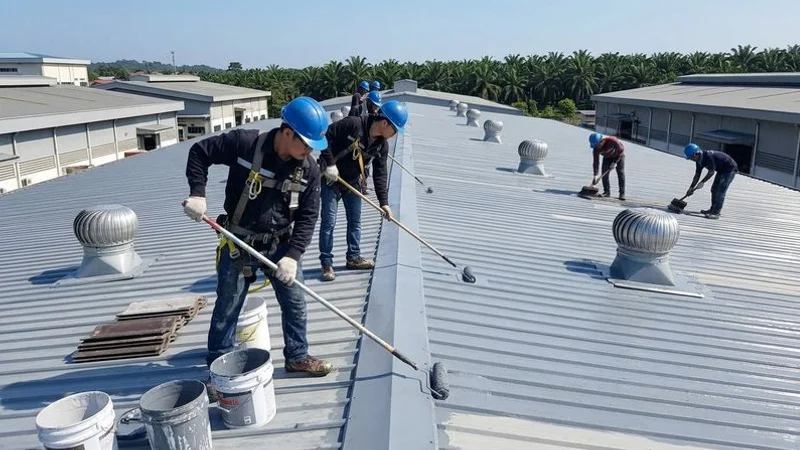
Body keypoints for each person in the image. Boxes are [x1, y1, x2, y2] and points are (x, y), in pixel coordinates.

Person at [183, 96, 334, 400]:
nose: (309, 151)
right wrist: (197, 193)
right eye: (306, 143)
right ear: (287, 132)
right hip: (239, 241)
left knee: (295, 301)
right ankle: (218, 370)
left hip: (280, 243)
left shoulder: (309, 171)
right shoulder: (244, 144)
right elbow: (200, 152)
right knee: (228, 306)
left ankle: (297, 356)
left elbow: (308, 215)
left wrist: (293, 256)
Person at [317, 100, 408, 281]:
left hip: (352, 181)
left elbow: (380, 174)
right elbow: (324, 137)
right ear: (384, 123)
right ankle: (326, 263)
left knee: (355, 222)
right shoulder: (353, 124)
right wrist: (330, 164)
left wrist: (384, 203)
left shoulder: (382, 145)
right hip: (331, 180)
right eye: (395, 129)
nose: (394, 134)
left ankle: (354, 257)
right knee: (329, 222)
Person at [683, 143, 738, 219]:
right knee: (714, 189)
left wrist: (702, 182)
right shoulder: (698, 161)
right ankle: (712, 210)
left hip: (729, 169)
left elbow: (711, 172)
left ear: (696, 154)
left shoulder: (708, 157)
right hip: (721, 170)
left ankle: (716, 213)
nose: (691, 160)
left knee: (720, 191)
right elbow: (697, 174)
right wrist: (691, 187)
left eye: (691, 157)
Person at [589, 132, 626, 200]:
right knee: (604, 173)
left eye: (597, 145)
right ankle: (606, 192)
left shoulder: (612, 141)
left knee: (620, 173)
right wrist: (595, 175)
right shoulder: (596, 149)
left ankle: (622, 194)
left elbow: (621, 150)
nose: (597, 147)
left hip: (619, 156)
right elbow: (596, 162)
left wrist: (615, 162)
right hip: (607, 157)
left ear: (602, 141)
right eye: (595, 146)